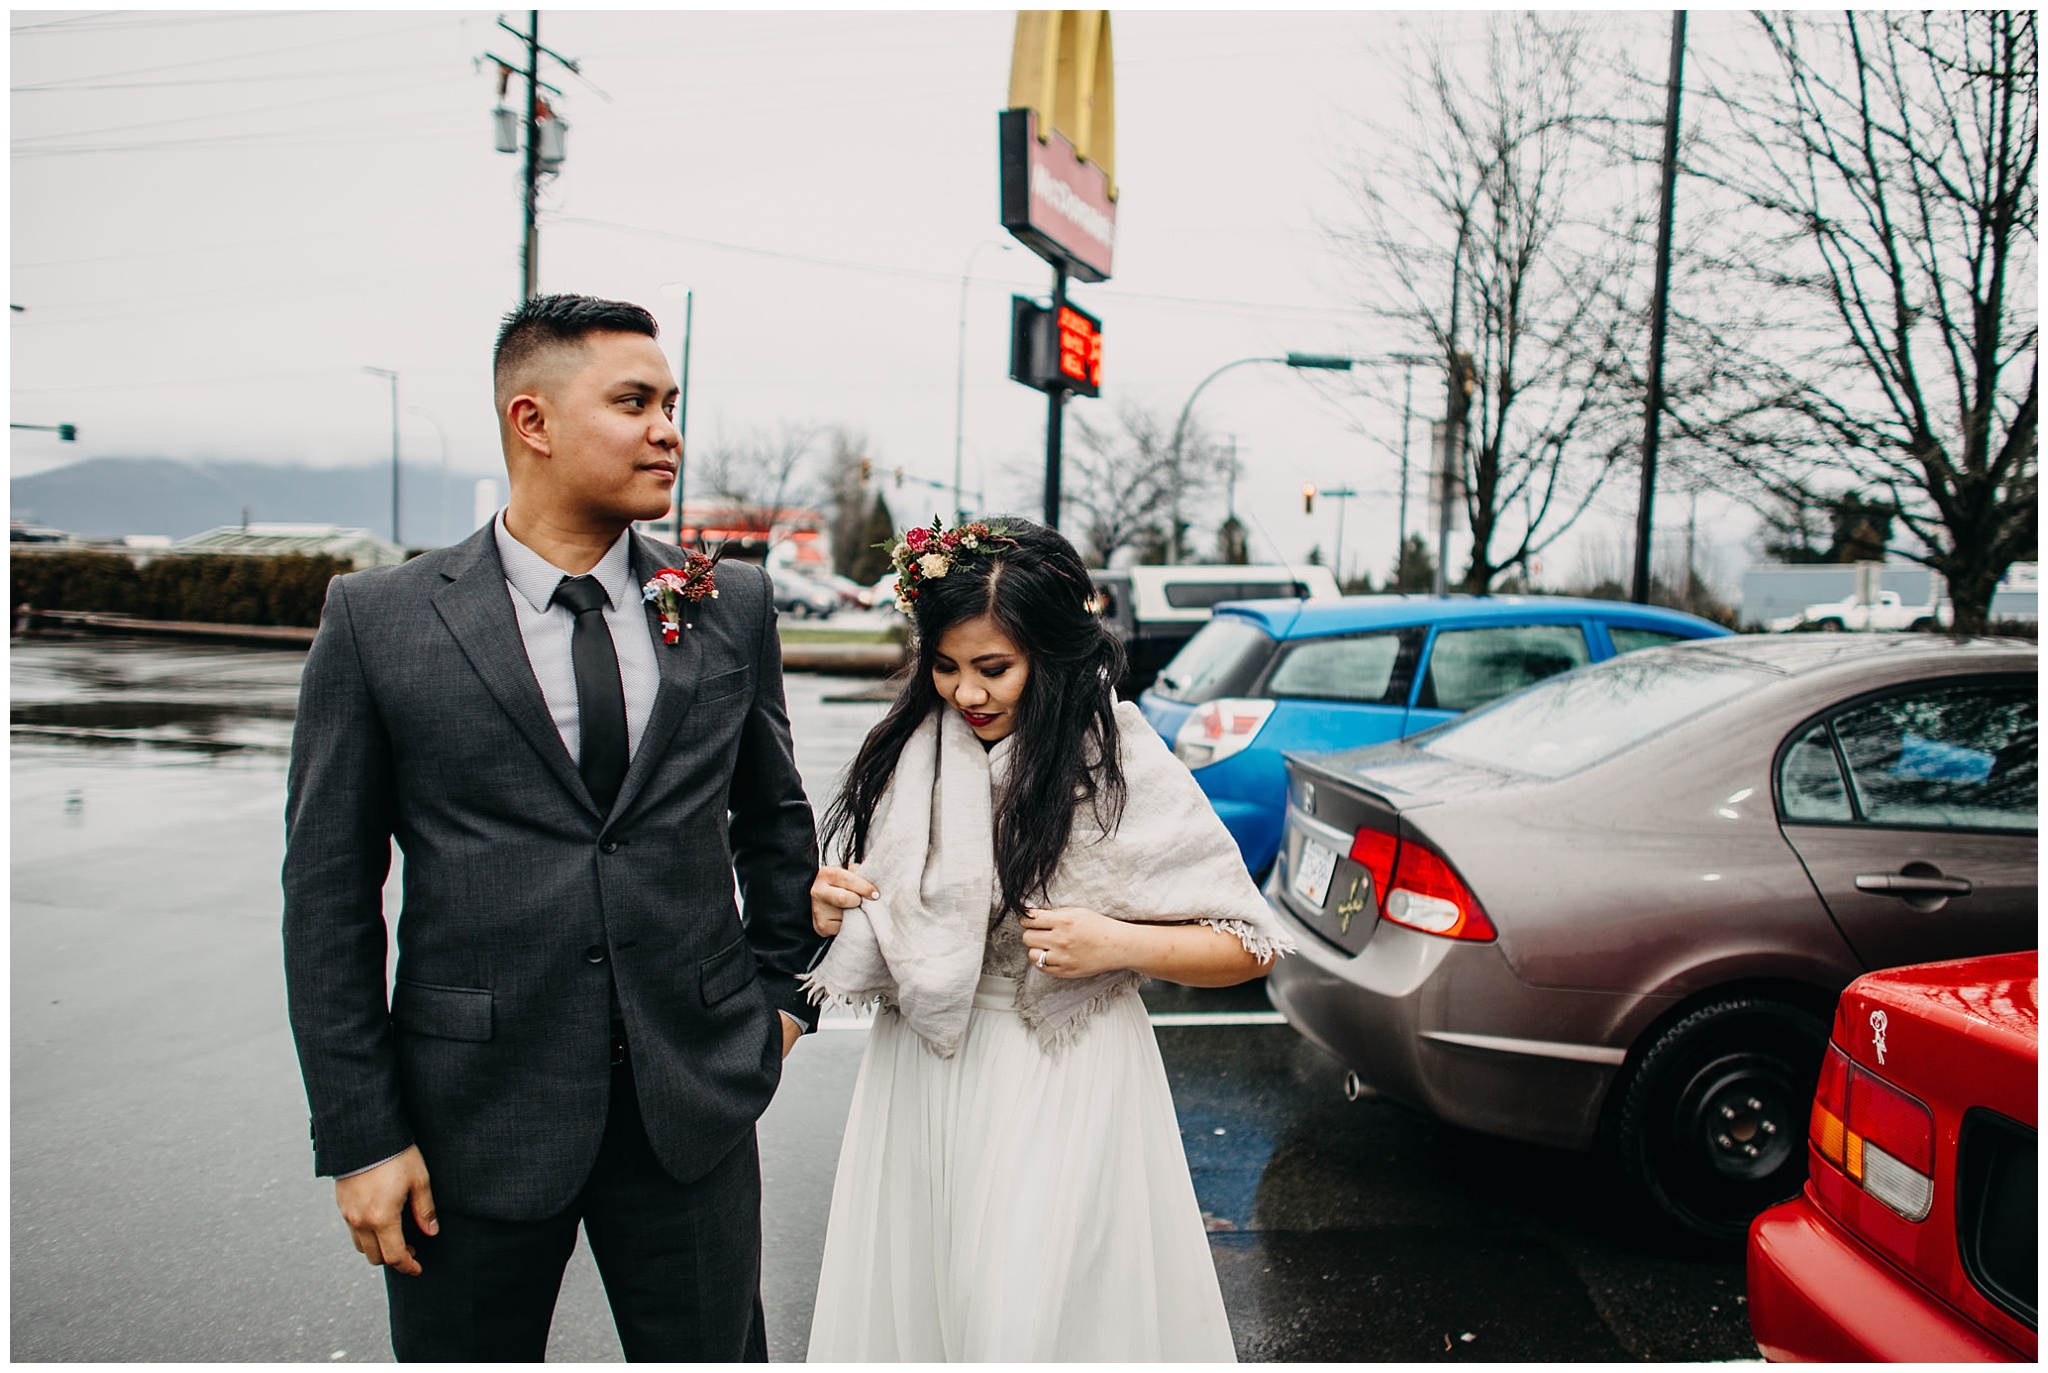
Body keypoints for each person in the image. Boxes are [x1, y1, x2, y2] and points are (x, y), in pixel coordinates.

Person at [282, 293, 823, 1361]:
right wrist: (363, 1133)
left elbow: (775, 824)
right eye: (633, 401)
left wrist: (779, 1003)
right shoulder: (377, 621)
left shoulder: (729, 603)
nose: (667, 426)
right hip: (468, 1121)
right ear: (532, 421)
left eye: (671, 402)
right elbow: (329, 896)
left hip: (692, 1107)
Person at [803, 517, 1294, 1362]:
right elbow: (874, 906)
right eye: (947, 667)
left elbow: (1248, 944)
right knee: (927, 1315)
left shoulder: (1120, 761)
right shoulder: (912, 753)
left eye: (995, 668)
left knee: (1030, 1322)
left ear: (1053, 658)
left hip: (1065, 1073)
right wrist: (830, 901)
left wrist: (1117, 941)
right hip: (923, 1067)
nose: (968, 694)